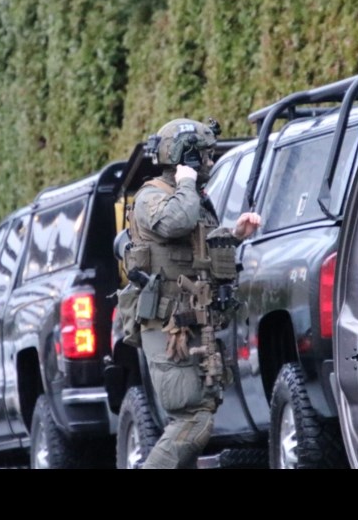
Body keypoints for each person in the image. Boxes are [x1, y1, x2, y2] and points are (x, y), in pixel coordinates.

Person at [126, 117, 260, 469]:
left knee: (200, 413)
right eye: (205, 156)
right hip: (169, 326)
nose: (211, 164)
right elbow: (175, 223)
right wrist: (186, 181)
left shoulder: (191, 199)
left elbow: (198, 250)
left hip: (193, 323)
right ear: (186, 158)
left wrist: (235, 234)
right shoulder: (152, 197)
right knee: (191, 420)